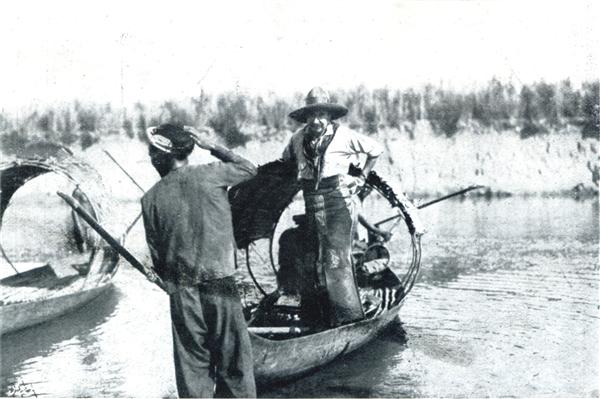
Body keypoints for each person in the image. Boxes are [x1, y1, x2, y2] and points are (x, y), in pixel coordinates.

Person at [141, 123, 257, 398]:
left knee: (192, 371)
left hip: (182, 292)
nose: (150, 158)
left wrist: (170, 282)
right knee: (235, 366)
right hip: (220, 285)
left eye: (151, 152)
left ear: (161, 155)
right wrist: (213, 146)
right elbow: (249, 168)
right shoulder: (211, 175)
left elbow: (157, 257)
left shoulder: (150, 200)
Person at [281, 86, 388, 327]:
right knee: (312, 258)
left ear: (329, 117)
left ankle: (349, 318)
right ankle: (316, 316)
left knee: (336, 259)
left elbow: (375, 150)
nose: (316, 120)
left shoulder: (344, 135)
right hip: (312, 202)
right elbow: (286, 162)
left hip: (338, 202)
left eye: (322, 115)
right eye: (311, 115)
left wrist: (361, 178)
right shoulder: (297, 139)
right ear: (306, 117)